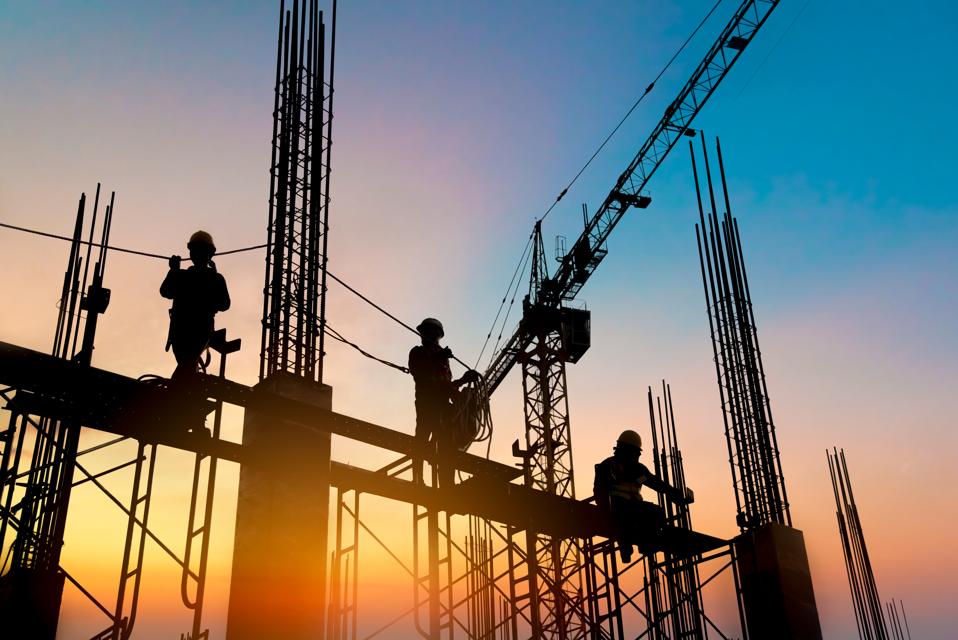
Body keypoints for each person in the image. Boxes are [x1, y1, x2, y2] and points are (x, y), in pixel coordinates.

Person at [594, 429, 693, 562]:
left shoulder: (638, 469)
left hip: (635, 506)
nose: (636, 457)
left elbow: (655, 483)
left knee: (657, 512)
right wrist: (605, 511)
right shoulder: (608, 466)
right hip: (618, 507)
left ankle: (647, 544)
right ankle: (626, 547)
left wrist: (674, 493)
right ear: (627, 451)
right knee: (623, 521)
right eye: (635, 453)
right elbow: (599, 492)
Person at [408, 317, 478, 487]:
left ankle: (447, 485)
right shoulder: (418, 352)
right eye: (426, 332)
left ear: (438, 335)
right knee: (422, 439)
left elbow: (447, 387)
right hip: (427, 404)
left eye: (432, 332)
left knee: (447, 446)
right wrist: (439, 357)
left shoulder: (443, 360)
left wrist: (463, 382)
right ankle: (418, 479)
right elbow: (420, 373)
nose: (427, 335)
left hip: (442, 407)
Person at [160, 230, 230, 379]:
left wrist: (173, 271)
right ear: (210, 255)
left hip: (182, 332)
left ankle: (176, 391)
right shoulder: (215, 279)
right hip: (198, 332)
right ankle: (180, 391)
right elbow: (224, 304)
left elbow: (165, 291)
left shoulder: (183, 276)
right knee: (188, 366)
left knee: (186, 365)